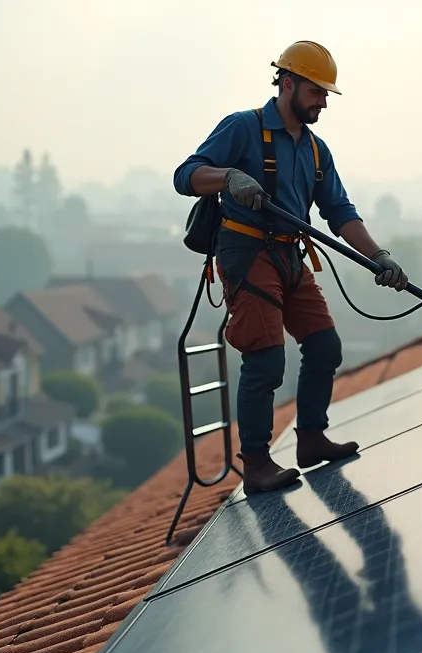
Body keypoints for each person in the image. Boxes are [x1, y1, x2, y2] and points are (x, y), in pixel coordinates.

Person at [172, 40, 408, 493]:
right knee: (265, 357)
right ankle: (257, 464)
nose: (323, 102)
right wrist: (227, 177)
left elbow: (339, 212)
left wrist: (379, 256)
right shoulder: (243, 128)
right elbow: (186, 174)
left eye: (325, 94)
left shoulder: (316, 151)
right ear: (289, 83)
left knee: (325, 346)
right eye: (317, 92)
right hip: (246, 252)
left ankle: (312, 439)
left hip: (289, 254)